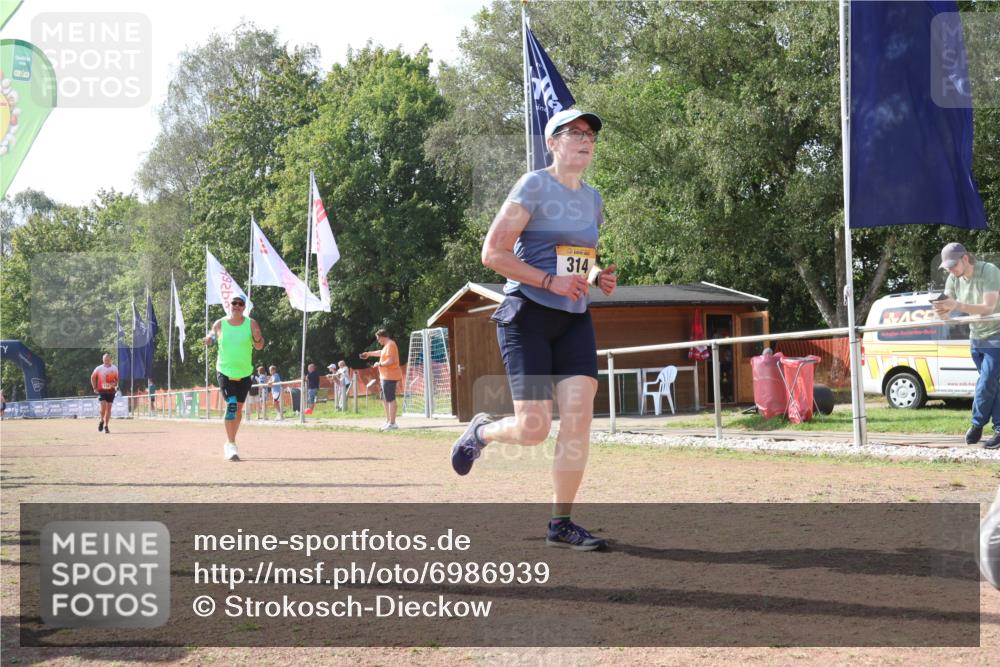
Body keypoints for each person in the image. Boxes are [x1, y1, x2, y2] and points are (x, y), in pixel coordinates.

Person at [450, 109, 618, 551]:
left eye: (590, 136)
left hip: (575, 317)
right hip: (528, 314)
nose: (585, 140)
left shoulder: (594, 198)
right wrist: (548, 281)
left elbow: (576, 256)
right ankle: (481, 432)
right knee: (534, 428)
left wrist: (597, 274)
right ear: (553, 142)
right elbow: (493, 253)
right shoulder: (532, 185)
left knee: (579, 417)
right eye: (575, 133)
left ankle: (561, 523)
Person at [932, 242, 1000, 449]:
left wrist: (957, 306)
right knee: (992, 385)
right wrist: (940, 310)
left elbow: (989, 308)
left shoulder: (989, 271)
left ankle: (977, 423)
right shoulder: (953, 278)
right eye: (947, 267)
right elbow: (947, 309)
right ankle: (999, 429)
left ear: (965, 258)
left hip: (996, 334)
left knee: (987, 381)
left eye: (953, 265)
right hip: (976, 337)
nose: (951, 270)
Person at [203, 294, 264, 461]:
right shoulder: (220, 324)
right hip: (225, 371)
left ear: (244, 307)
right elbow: (212, 337)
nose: (237, 306)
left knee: (237, 410)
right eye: (234, 303)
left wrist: (258, 338)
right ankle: (231, 444)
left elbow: (259, 346)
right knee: (231, 406)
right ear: (229, 305)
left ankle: (231, 441)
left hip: (245, 373)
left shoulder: (251, 323)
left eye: (240, 304)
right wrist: (209, 339)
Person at [360, 329, 402, 430]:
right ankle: (388, 421)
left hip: (390, 376)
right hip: (385, 377)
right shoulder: (386, 346)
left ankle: (393, 423)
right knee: (384, 398)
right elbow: (380, 353)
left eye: (378, 339)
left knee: (390, 399)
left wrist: (380, 364)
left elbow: (390, 360)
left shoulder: (391, 344)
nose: (378, 341)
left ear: (383, 336)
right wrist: (369, 354)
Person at [90, 353, 119, 434]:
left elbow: (116, 380)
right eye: (104, 360)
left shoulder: (114, 368)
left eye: (107, 359)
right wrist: (94, 387)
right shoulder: (99, 368)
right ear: (103, 360)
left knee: (109, 408)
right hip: (102, 390)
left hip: (111, 391)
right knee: (103, 405)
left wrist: (115, 384)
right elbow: (92, 377)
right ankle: (101, 420)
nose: (106, 361)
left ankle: (106, 426)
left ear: (110, 360)